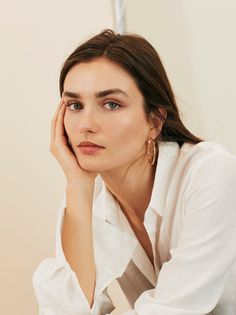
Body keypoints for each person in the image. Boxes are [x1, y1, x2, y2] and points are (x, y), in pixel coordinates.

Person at [32, 29, 236, 315]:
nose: (86, 124)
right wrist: (77, 185)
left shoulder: (210, 174)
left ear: (155, 120)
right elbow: (65, 311)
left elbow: (174, 309)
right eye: (75, 105)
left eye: (111, 104)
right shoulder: (83, 200)